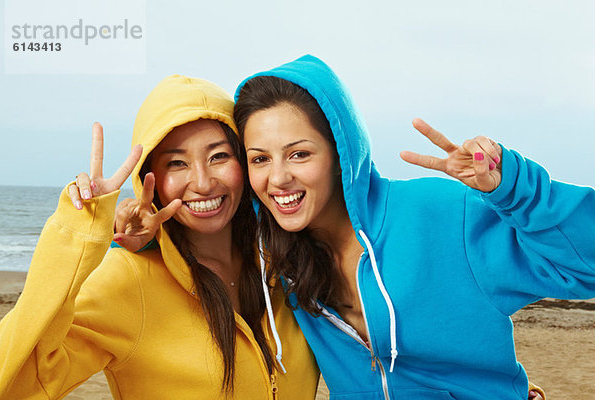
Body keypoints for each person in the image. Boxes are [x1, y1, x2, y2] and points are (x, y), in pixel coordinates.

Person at [229, 55, 594, 399]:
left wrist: (514, 189)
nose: (277, 178)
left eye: (299, 154)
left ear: (340, 154)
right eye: (260, 159)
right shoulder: (278, 261)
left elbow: (584, 267)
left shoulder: (442, 213)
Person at [0, 75, 318, 399]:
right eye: (177, 163)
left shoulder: (288, 266)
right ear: (150, 177)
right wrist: (81, 233)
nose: (203, 183)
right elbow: (14, 381)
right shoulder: (127, 280)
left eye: (219, 156)